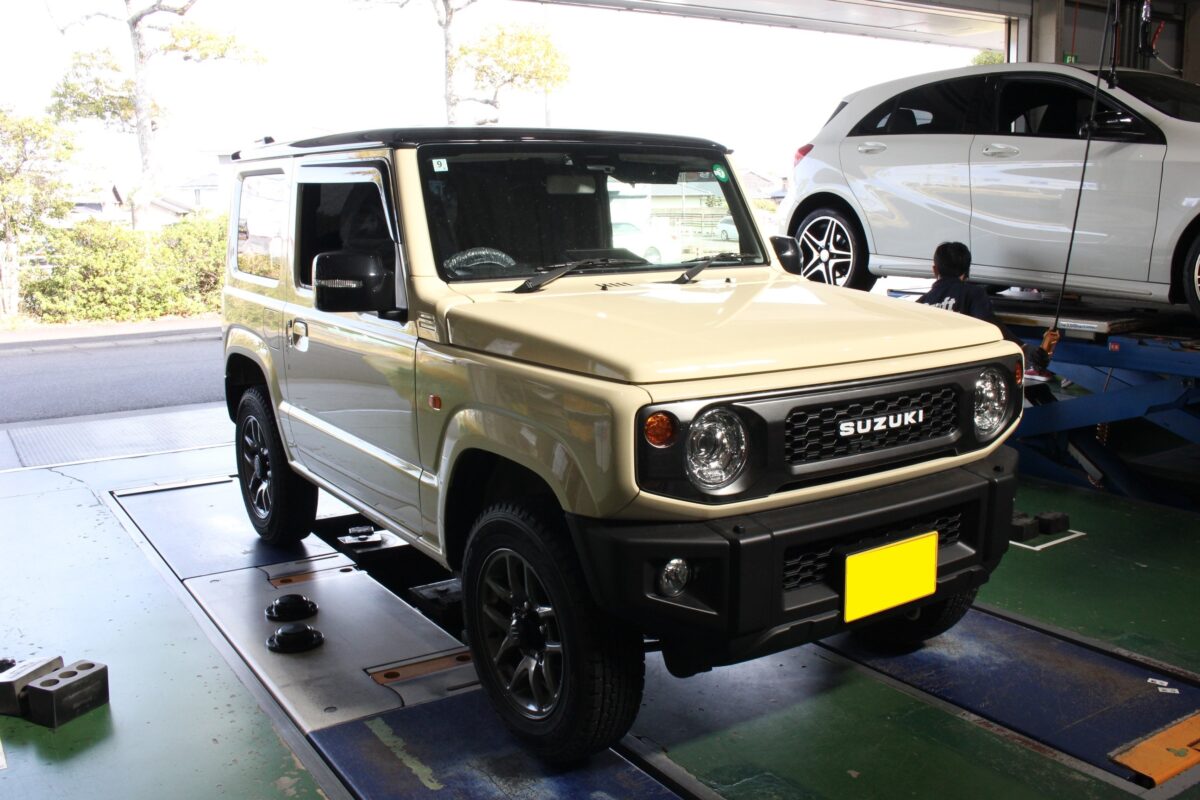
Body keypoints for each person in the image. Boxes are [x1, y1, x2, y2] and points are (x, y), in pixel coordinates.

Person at [918, 242, 1051, 380]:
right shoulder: (973, 293)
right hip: (962, 374)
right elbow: (990, 324)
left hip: (927, 376)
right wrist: (1023, 348)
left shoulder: (920, 304)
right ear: (967, 271)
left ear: (935, 270)